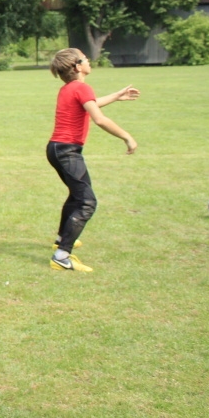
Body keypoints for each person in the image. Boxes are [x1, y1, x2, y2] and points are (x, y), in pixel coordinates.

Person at [46, 48, 138, 272]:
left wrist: (116, 96)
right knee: (87, 203)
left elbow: (91, 103)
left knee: (77, 196)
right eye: (85, 59)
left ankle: (62, 238)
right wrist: (127, 137)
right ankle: (61, 256)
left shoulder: (70, 88)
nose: (89, 61)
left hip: (57, 149)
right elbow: (98, 118)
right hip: (67, 152)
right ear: (77, 67)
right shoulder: (81, 87)